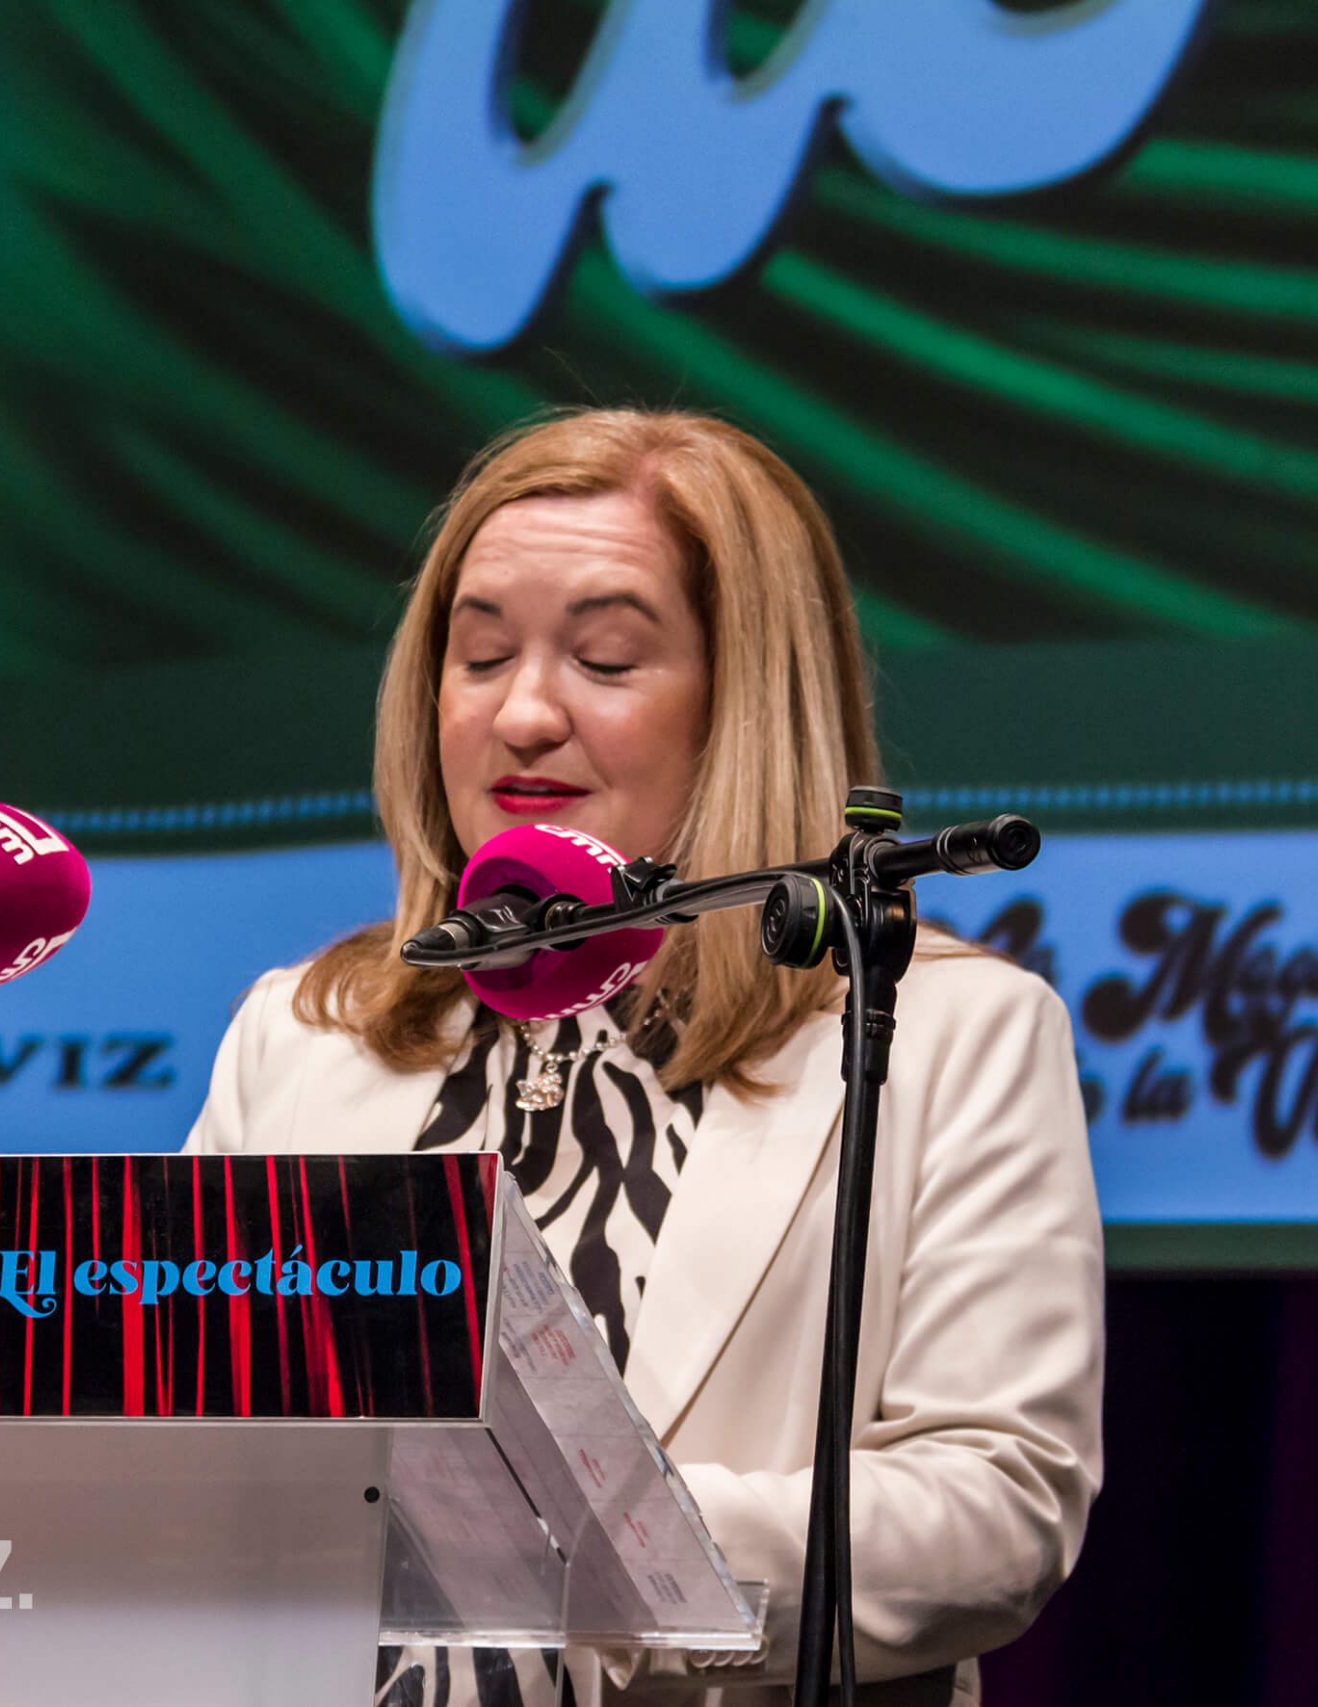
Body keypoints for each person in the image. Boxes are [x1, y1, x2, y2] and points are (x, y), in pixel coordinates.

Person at [188, 409, 1102, 1705]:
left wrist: (566, 1537)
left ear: (744, 706)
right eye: (479, 654)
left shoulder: (955, 1032)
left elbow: (994, 1513)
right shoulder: (298, 1032)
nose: (523, 712)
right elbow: (180, 1453)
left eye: (605, 658)